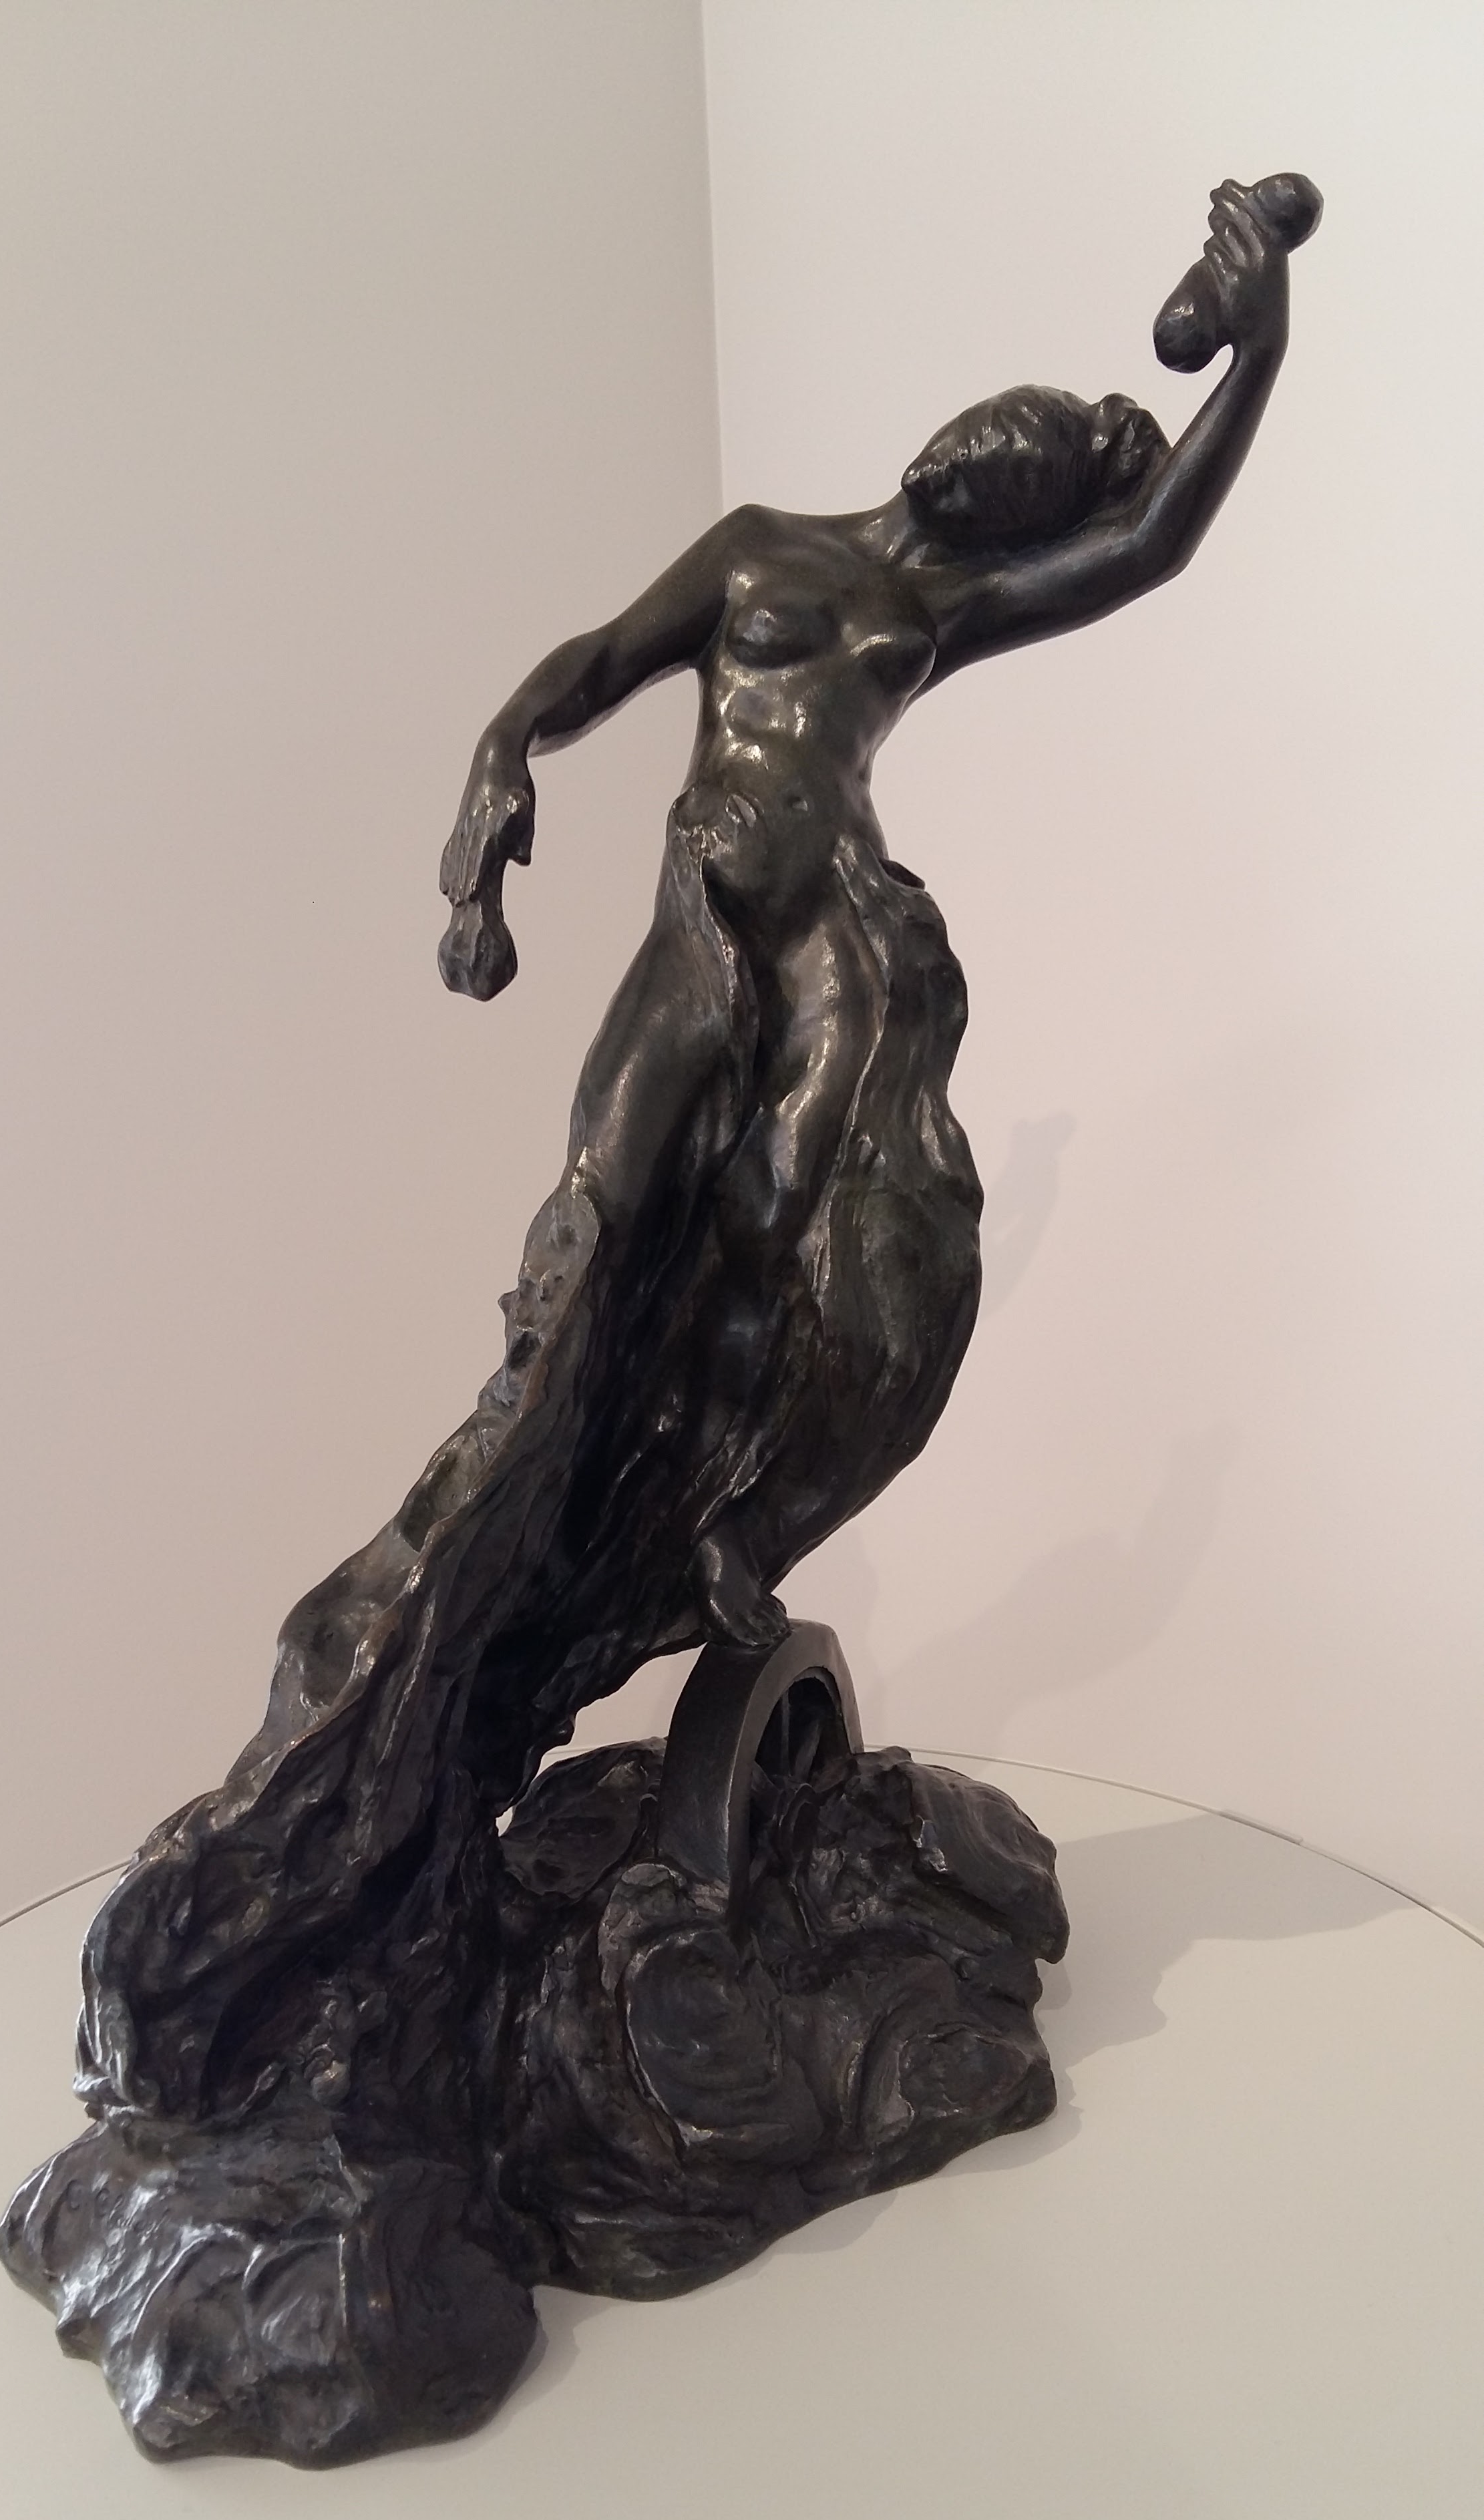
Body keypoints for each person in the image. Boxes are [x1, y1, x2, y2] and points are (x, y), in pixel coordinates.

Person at [68, 180, 1296, 2120]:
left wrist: (1262, 338)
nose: (1002, 441)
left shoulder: (942, 610)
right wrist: (498, 775)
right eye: (1008, 414)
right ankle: (469, 1576)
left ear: (1022, 514)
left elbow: (1154, 545)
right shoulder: (759, 546)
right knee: (594, 1232)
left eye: (1040, 452)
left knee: (817, 1248)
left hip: (833, 952)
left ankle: (723, 1512)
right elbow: (587, 662)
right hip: (701, 927)